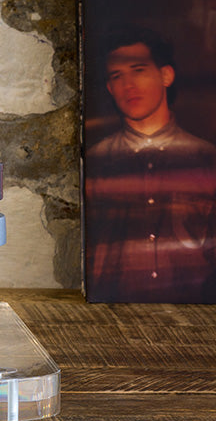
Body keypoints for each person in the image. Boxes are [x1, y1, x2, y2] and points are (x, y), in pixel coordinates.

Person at [86, 25, 216, 302]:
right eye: (117, 76)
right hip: (112, 314)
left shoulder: (206, 159)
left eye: (139, 70)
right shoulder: (94, 163)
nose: (128, 85)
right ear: (109, 88)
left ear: (166, 75)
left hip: (196, 313)